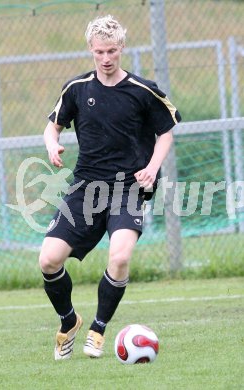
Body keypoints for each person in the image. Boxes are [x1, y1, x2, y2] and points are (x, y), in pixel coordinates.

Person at [39, 14, 181, 361]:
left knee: (119, 256)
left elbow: (166, 131)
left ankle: (99, 330)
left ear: (122, 49)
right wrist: (51, 144)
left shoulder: (142, 90)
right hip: (86, 187)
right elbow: (52, 126)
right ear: (91, 49)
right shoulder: (77, 88)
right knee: (48, 260)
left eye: (112, 51)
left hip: (128, 187)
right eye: (100, 51)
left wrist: (151, 167)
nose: (106, 58)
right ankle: (69, 321)